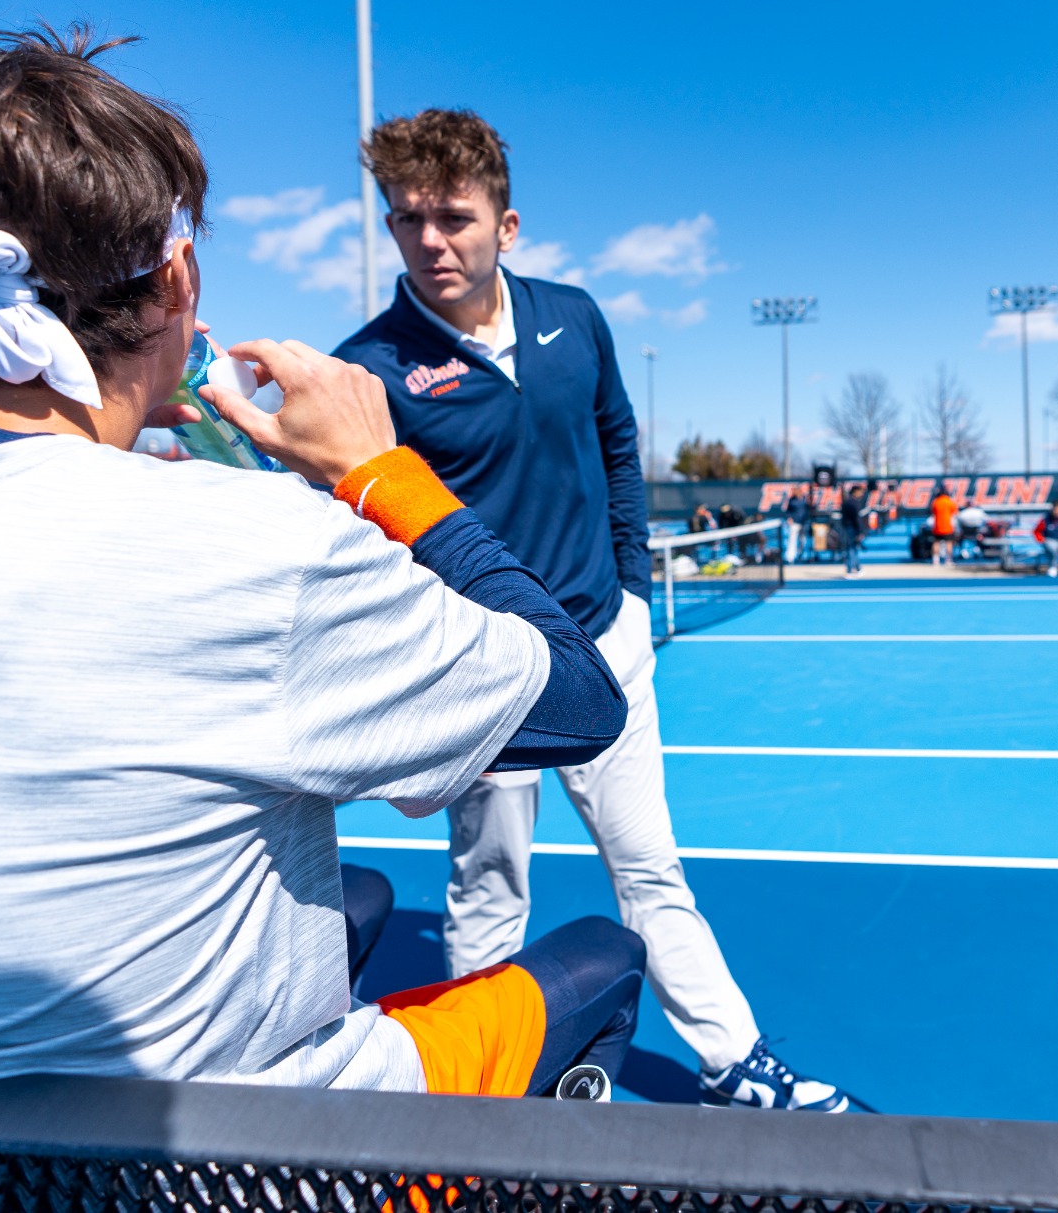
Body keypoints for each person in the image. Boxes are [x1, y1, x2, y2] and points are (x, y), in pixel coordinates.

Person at [0, 28, 646, 1099]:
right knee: (599, 963)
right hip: (217, 1159)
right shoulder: (254, 547)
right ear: (177, 276)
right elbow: (575, 696)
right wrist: (383, 472)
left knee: (356, 900)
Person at [333, 109, 845, 1111]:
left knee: (650, 867)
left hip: (605, 644)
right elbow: (366, 530)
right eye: (406, 220)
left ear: (506, 225)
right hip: (484, 668)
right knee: (487, 890)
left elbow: (617, 445)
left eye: (453, 217)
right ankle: (475, 1103)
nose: (430, 240)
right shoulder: (372, 368)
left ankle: (734, 1063)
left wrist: (632, 591)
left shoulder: (573, 318)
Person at [838, 479, 869, 576]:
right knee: (852, 548)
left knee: (850, 548)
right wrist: (861, 531)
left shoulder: (846, 503)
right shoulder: (855, 503)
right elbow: (857, 519)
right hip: (853, 528)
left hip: (846, 527)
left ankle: (855, 567)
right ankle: (852, 568)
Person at [929, 482, 959, 567]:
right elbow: (956, 513)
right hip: (947, 526)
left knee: (936, 542)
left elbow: (932, 513)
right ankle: (948, 560)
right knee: (949, 543)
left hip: (937, 526)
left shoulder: (936, 502)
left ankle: (935, 560)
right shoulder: (949, 502)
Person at [956, 494, 988, 561]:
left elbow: (958, 525)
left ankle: (965, 550)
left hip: (968, 534)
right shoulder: (979, 512)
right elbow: (985, 521)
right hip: (975, 533)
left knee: (959, 534)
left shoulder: (962, 514)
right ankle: (977, 549)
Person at [783, 487, 809, 564]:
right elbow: (788, 511)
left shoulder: (804, 500)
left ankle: (801, 556)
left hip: (804, 523)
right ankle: (790, 557)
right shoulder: (792, 500)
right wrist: (789, 518)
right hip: (794, 522)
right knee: (792, 540)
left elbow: (808, 510)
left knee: (803, 540)